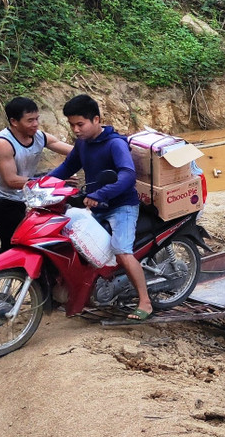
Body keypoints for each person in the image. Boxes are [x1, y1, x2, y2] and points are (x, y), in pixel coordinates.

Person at [47, 94, 152, 320]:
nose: (75, 129)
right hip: (96, 205)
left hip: (122, 206)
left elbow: (128, 175)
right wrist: (40, 184)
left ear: (96, 119)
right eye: (71, 124)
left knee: (121, 251)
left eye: (80, 124)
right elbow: (66, 168)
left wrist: (101, 194)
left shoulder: (115, 144)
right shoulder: (83, 144)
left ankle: (145, 301)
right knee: (74, 242)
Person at [0, 97, 73, 257]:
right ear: (14, 121)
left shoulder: (38, 136)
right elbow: (12, 180)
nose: (35, 124)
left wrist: (97, 150)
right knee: (15, 246)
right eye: (30, 120)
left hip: (18, 198)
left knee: (20, 242)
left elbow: (73, 151)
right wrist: (50, 182)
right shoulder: (3, 143)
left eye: (37, 119)